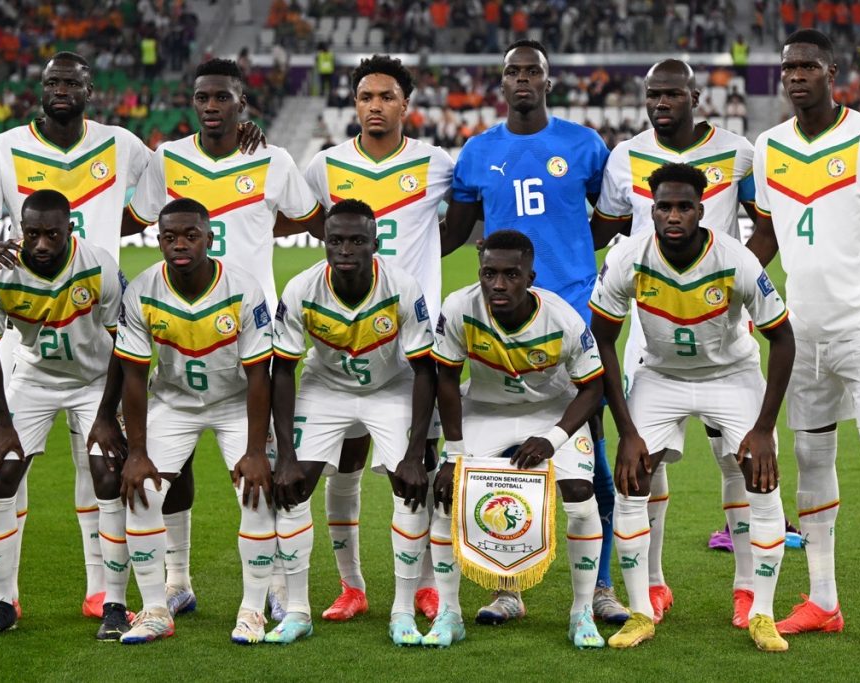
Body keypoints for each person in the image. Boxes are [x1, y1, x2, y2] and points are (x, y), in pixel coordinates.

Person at [0, 51, 263, 626]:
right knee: (7, 470)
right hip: (27, 329)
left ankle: (105, 593)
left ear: (90, 90)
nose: (62, 90)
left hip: (101, 322)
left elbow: (180, 175)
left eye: (72, 82)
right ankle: (4, 597)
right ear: (41, 88)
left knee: (98, 467)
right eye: (52, 81)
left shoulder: (123, 145)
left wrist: (240, 132)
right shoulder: (3, 147)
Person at [122, 58, 320, 619]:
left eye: (222, 98)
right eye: (202, 98)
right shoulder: (167, 159)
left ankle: (278, 591)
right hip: (180, 328)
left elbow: (306, 218)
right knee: (170, 471)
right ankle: (176, 582)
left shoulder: (273, 158)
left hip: (251, 328)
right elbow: (136, 218)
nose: (210, 107)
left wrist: (260, 228)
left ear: (241, 103)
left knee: (268, 474)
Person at [748, 29, 860, 654]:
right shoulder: (769, 149)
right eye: (789, 67)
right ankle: (824, 600)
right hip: (802, 337)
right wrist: (733, 284)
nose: (796, 76)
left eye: (809, 66)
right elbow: (766, 237)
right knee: (811, 465)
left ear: (833, 71)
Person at [441, 38, 626, 626]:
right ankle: (508, 585)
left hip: (571, 312)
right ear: (501, 84)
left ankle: (600, 587)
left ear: (548, 82)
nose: (522, 79)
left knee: (588, 456)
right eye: (512, 72)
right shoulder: (476, 153)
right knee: (501, 461)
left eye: (533, 72)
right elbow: (453, 233)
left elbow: (607, 220)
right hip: (500, 321)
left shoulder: (584, 145)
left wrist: (566, 263)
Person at [591, 164, 794, 652]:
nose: (674, 215)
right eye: (664, 206)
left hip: (732, 375)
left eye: (685, 206)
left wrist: (764, 428)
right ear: (652, 209)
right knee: (632, 481)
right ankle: (641, 610)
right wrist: (627, 431)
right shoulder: (628, 257)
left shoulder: (737, 259)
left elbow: (783, 340)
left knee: (761, 478)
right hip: (661, 377)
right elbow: (602, 340)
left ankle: (761, 612)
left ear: (702, 211)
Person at [591, 59, 759, 628]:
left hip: (721, 329)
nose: (661, 103)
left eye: (673, 94)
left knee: (733, 460)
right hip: (649, 328)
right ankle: (654, 583)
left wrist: (742, 287)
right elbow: (608, 230)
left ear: (695, 97)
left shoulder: (739, 153)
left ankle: (744, 588)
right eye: (652, 95)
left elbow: (768, 223)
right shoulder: (624, 158)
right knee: (647, 461)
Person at [301, 54, 454, 623]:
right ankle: (352, 586)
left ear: (405, 105)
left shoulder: (436, 163)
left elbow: (460, 220)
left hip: (412, 341)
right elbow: (299, 217)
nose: (374, 106)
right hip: (343, 341)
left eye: (386, 96)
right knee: (343, 466)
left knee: (420, 468)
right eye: (365, 97)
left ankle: (427, 586)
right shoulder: (325, 166)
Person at [268, 200, 437, 645]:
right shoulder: (302, 288)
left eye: (357, 240)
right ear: (323, 242)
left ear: (374, 244)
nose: (345, 249)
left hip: (390, 386)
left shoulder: (401, 285)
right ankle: (309, 607)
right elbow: (282, 370)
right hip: (326, 388)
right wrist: (285, 455)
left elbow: (425, 370)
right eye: (336, 240)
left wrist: (416, 453)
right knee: (292, 486)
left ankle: (404, 607)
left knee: (410, 485)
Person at [428, 229, 607, 649]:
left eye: (512, 274)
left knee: (582, 499)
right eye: (489, 273)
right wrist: (453, 455)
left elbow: (593, 388)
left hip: (550, 413)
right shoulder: (459, 308)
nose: (499, 284)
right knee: (445, 497)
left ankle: (581, 612)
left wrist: (553, 438)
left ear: (531, 276)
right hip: (485, 410)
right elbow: (447, 382)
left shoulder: (562, 317)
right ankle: (448, 614)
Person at [0, 190, 128, 639]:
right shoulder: (1, 274)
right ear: (20, 229)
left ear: (69, 229)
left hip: (94, 382)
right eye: (31, 233)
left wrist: (108, 415)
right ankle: (2, 602)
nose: (40, 244)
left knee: (109, 477)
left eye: (50, 233)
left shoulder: (99, 265)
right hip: (33, 381)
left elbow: (126, 346)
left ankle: (114, 603)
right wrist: (2, 423)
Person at [114, 198, 276, 645]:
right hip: (173, 402)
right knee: (142, 492)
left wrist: (257, 450)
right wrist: (138, 451)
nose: (179, 244)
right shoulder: (142, 290)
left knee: (257, 492)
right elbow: (133, 373)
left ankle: (252, 610)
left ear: (209, 237)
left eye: (190, 235)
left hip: (235, 403)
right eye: (169, 237)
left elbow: (260, 374)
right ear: (159, 239)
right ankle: (154, 611)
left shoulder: (243, 288)